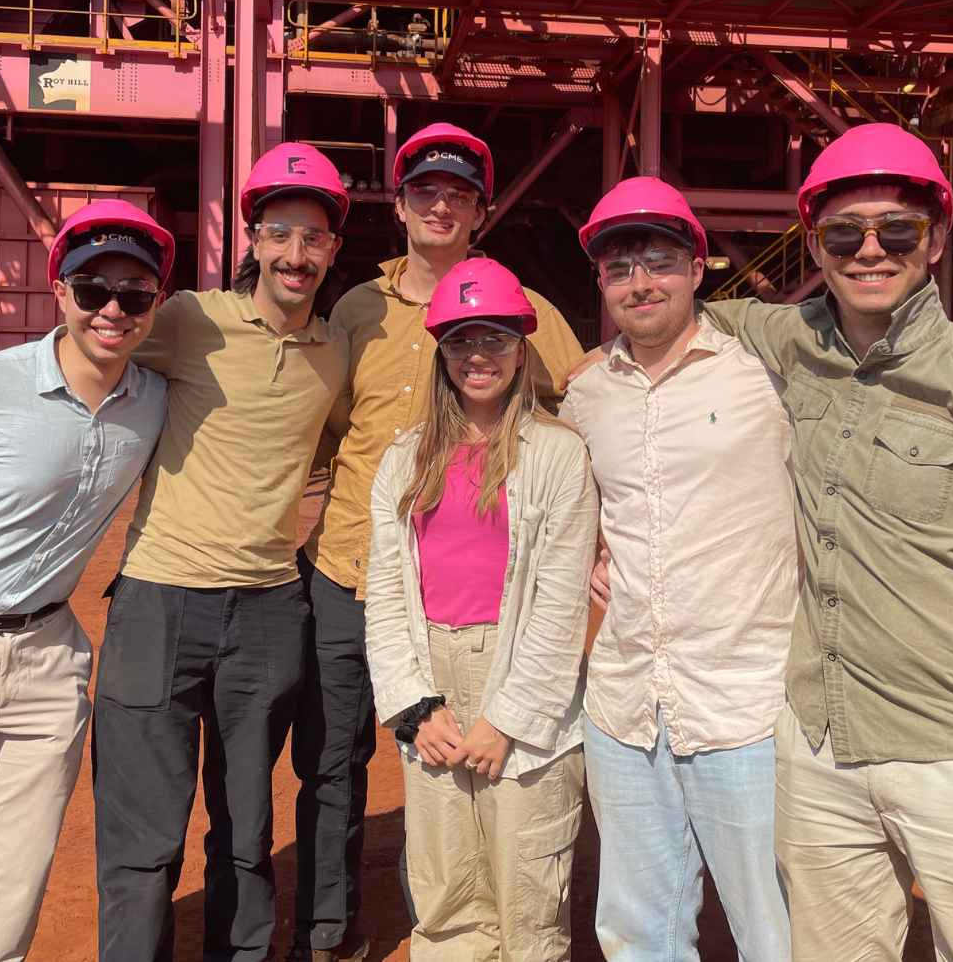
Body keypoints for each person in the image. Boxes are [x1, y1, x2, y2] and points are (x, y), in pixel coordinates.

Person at [691, 123, 953, 959]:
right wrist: (599, 354)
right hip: (820, 745)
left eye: (895, 230)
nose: (868, 250)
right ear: (814, 241)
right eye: (843, 233)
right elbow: (689, 310)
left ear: (937, 235)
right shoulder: (796, 340)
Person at [289, 124, 583, 962]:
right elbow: (321, 419)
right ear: (402, 203)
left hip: (491, 605)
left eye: (458, 191)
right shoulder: (357, 309)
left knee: (505, 827)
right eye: (425, 189)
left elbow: (586, 388)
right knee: (338, 771)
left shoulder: (525, 310)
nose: (440, 203)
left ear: (480, 209)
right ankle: (328, 932)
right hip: (363, 576)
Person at [92, 143, 350, 962]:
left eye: (313, 238)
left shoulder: (337, 355)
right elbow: (95, 355)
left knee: (245, 825)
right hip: (159, 600)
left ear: (333, 250)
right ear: (252, 238)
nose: (296, 255)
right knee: (144, 835)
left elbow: (355, 443)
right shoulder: (188, 319)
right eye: (280, 233)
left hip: (271, 610)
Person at [557, 178, 795, 962]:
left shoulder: (768, 377)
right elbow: (571, 507)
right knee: (637, 931)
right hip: (626, 703)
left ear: (698, 268)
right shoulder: (586, 395)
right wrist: (594, 547)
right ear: (600, 282)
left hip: (744, 705)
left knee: (778, 928)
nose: (640, 282)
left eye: (659, 260)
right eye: (619, 268)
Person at [365, 258, 598, 960]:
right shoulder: (406, 459)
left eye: (494, 337)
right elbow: (384, 594)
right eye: (461, 339)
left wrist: (508, 719)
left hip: (522, 682)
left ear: (521, 347)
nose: (477, 355)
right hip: (431, 682)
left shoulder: (556, 455)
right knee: (444, 897)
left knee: (527, 894)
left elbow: (558, 608)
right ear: (440, 350)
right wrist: (412, 706)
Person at [0, 199, 172, 962]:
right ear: (60, 291)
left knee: (11, 886)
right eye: (92, 289)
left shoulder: (155, 399)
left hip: (51, 659)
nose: (112, 309)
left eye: (135, 292)